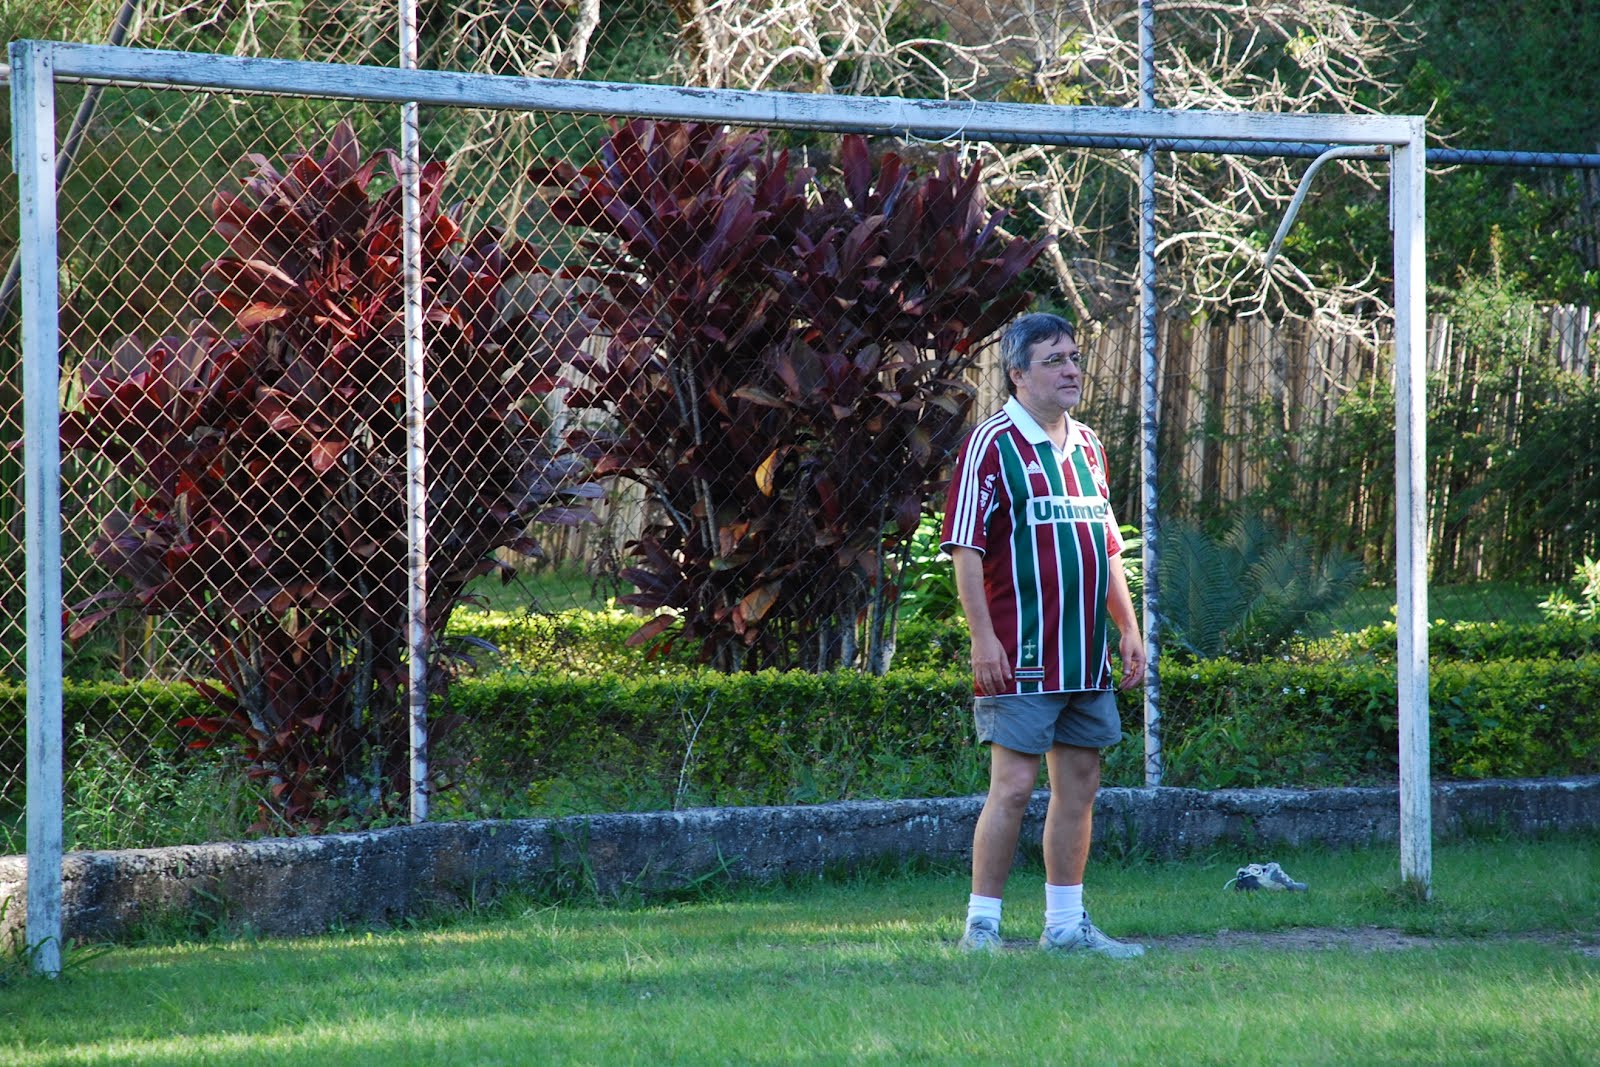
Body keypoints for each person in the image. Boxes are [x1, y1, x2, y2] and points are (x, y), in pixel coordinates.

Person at [940, 311, 1147, 957]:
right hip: (1020, 654)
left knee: (1080, 781)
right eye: (1055, 359)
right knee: (1013, 786)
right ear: (1018, 373)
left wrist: (1128, 627)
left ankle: (1064, 926)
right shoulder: (991, 444)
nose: (1072, 370)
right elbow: (966, 549)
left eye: (1075, 357)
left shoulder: (1087, 445)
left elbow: (1105, 546)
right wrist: (982, 639)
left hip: (1083, 656)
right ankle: (982, 926)